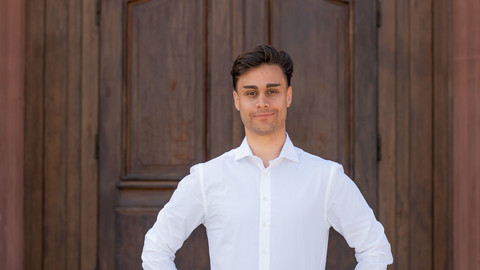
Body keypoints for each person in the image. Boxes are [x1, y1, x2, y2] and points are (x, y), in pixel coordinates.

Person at [141, 44, 393, 270]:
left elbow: (375, 249)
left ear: (288, 96)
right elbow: (156, 249)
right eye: (251, 93)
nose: (262, 102)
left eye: (272, 91)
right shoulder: (208, 178)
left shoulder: (326, 178)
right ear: (237, 100)